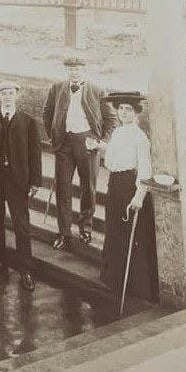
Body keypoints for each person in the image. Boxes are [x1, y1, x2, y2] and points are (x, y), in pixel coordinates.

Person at [43, 56, 116, 251]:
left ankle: (85, 227)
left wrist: (102, 142)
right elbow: (47, 112)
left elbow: (111, 119)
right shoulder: (57, 88)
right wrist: (53, 136)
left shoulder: (97, 90)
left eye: (77, 69)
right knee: (63, 189)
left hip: (88, 143)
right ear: (66, 71)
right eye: (70, 69)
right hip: (64, 144)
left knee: (88, 187)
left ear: (85, 69)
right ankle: (64, 232)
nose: (73, 72)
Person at [0, 81, 42, 291]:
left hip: (18, 181)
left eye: (11, 93)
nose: (7, 97)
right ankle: (0, 262)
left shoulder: (28, 122)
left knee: (21, 226)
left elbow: (35, 153)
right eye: (3, 93)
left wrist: (35, 181)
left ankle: (26, 270)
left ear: (17, 96)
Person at [93, 92, 158, 303]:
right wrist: (99, 146)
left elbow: (145, 170)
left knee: (133, 235)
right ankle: (116, 279)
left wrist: (139, 196)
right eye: (121, 109)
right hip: (116, 186)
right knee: (115, 231)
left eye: (128, 109)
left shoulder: (140, 137)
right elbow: (115, 154)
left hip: (131, 188)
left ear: (136, 112)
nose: (124, 113)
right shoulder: (119, 132)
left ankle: (137, 287)